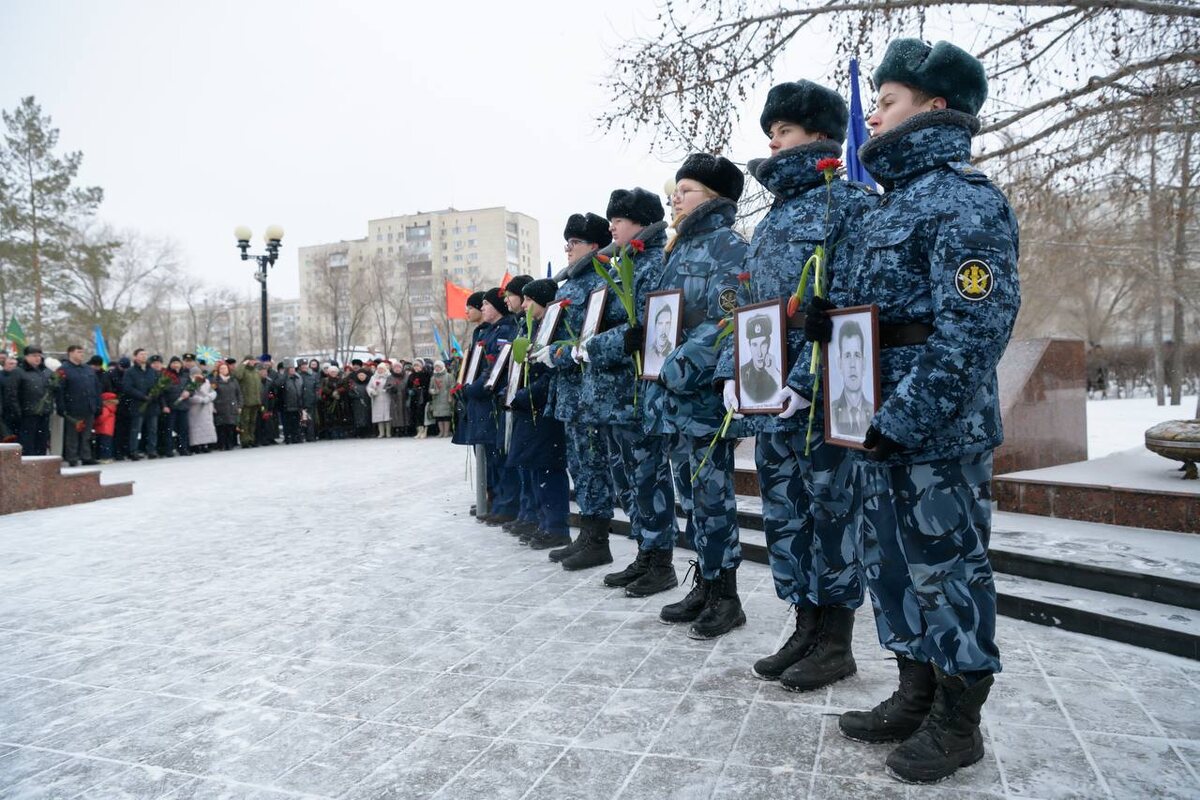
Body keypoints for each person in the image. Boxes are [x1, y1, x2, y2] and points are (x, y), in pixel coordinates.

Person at [810, 39, 1020, 784]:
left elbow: (974, 327)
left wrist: (905, 417)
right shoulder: (883, 207)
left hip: (932, 428)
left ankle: (959, 721)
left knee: (948, 570)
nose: (873, 116)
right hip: (874, 422)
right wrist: (826, 328)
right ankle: (915, 691)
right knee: (892, 567)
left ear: (935, 107)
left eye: (888, 101)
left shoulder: (966, 199)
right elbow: (879, 320)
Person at [713, 79, 877, 689]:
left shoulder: (850, 205)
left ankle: (836, 640)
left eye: (784, 130)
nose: (774, 142)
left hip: (822, 401)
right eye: (771, 132)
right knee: (786, 516)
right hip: (769, 400)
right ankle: (804, 626)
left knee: (832, 514)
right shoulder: (774, 218)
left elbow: (856, 305)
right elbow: (750, 304)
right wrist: (735, 372)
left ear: (818, 134)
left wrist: (809, 379)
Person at [580, 187, 680, 597]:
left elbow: (645, 331)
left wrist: (592, 346)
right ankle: (644, 551)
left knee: (648, 477)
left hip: (637, 395)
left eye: (618, 219)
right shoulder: (625, 263)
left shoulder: (651, 264)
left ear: (639, 221)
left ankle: (661, 561)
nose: (611, 227)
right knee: (630, 480)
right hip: (615, 397)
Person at [530, 213, 617, 564]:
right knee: (579, 466)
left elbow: (589, 340)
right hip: (569, 392)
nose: (568, 250)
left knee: (595, 465)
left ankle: (599, 541)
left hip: (591, 391)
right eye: (566, 243)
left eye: (575, 243)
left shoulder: (603, 280)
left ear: (595, 246)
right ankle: (587, 534)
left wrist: (558, 354)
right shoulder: (566, 287)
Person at [505, 278, 572, 545]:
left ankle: (556, 527)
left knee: (548, 468)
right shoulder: (533, 328)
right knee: (534, 467)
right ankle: (543, 523)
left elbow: (549, 373)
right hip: (529, 408)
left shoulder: (553, 329)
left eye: (530, 300)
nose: (524, 305)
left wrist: (524, 395)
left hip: (544, 410)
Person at [463, 288, 522, 525]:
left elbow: (496, 366)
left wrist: (476, 387)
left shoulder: (505, 330)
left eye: (486, 304)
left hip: (495, 398)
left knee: (499, 455)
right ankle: (496, 499)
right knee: (490, 454)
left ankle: (506, 503)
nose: (482, 308)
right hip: (486, 401)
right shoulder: (489, 331)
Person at [4, 345, 53, 456]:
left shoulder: (44, 372)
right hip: (27, 414)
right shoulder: (18, 372)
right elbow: (11, 394)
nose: (37, 358)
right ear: (26, 357)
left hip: (43, 413)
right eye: (34, 355)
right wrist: (18, 413)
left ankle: (41, 465)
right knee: (27, 444)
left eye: (39, 355)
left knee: (41, 443)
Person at [56, 344, 101, 466]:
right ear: (70, 353)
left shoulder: (88, 369)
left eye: (82, 352)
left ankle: (86, 456)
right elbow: (60, 390)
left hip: (89, 406)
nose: (81, 354)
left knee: (87, 434)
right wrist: (62, 406)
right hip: (73, 408)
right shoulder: (63, 369)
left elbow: (96, 388)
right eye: (78, 352)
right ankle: (72, 457)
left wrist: (98, 404)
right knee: (72, 435)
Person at [830, 319, 870, 438]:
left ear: (864, 363)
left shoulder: (874, 411)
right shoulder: (830, 413)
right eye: (847, 356)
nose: (852, 364)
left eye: (857, 355)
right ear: (840, 364)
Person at [738, 314, 780, 404]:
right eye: (754, 345)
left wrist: (775, 375)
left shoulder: (777, 374)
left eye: (763, 344)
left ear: (769, 344)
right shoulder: (741, 373)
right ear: (749, 346)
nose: (759, 353)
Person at [211, 361, 242, 451]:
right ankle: (222, 444)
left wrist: (239, 405)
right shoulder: (215, 381)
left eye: (225, 368)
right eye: (221, 368)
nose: (224, 370)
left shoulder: (233, 380)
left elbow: (239, 394)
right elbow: (212, 393)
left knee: (231, 426)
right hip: (220, 407)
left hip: (232, 406)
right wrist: (213, 406)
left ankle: (230, 444)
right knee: (221, 427)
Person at [233, 356, 263, 448]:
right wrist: (243, 365)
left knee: (253, 422)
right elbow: (237, 375)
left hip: (255, 401)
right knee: (245, 422)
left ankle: (251, 439)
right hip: (246, 401)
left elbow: (259, 386)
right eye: (251, 360)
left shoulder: (255, 371)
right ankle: (245, 440)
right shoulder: (243, 370)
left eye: (253, 360)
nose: (253, 362)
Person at [186, 367, 218, 453]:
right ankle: (196, 445)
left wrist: (209, 397)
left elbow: (213, 392)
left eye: (199, 373)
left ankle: (205, 444)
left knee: (207, 427)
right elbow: (190, 396)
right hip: (195, 409)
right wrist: (201, 400)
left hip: (207, 408)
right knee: (196, 428)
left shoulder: (206, 382)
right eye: (195, 374)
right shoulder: (190, 383)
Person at [367, 361, 393, 438]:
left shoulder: (389, 377)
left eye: (382, 369)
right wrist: (372, 391)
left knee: (387, 415)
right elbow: (369, 387)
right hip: (377, 398)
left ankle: (388, 432)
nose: (380, 370)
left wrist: (388, 389)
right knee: (379, 416)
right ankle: (381, 433)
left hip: (387, 398)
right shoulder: (373, 377)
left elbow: (392, 385)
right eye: (379, 369)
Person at [428, 361, 453, 438]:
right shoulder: (433, 378)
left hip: (446, 399)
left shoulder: (448, 376)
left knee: (446, 417)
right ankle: (441, 432)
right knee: (439, 417)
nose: (437, 368)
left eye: (439, 367)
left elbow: (452, 386)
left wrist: (450, 396)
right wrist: (433, 391)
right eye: (436, 367)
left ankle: (446, 432)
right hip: (437, 399)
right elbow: (430, 388)